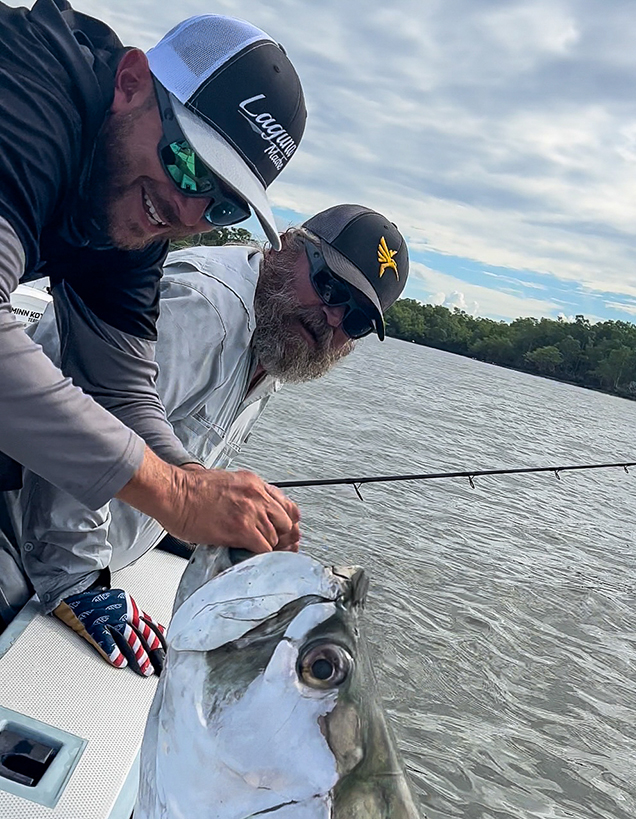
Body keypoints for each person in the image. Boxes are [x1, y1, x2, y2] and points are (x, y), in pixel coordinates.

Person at [1, 205, 410, 674]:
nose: (333, 319)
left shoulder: (276, 342)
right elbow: (84, 428)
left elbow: (172, 452)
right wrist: (79, 583)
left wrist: (194, 530)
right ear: (286, 247)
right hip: (16, 539)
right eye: (330, 287)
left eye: (356, 320)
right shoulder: (200, 309)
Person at [0, 0, 308, 565]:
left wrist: (193, 480)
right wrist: (176, 496)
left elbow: (120, 390)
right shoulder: (28, 95)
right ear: (131, 82)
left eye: (224, 205)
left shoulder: (133, 204)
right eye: (189, 163)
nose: (189, 214)